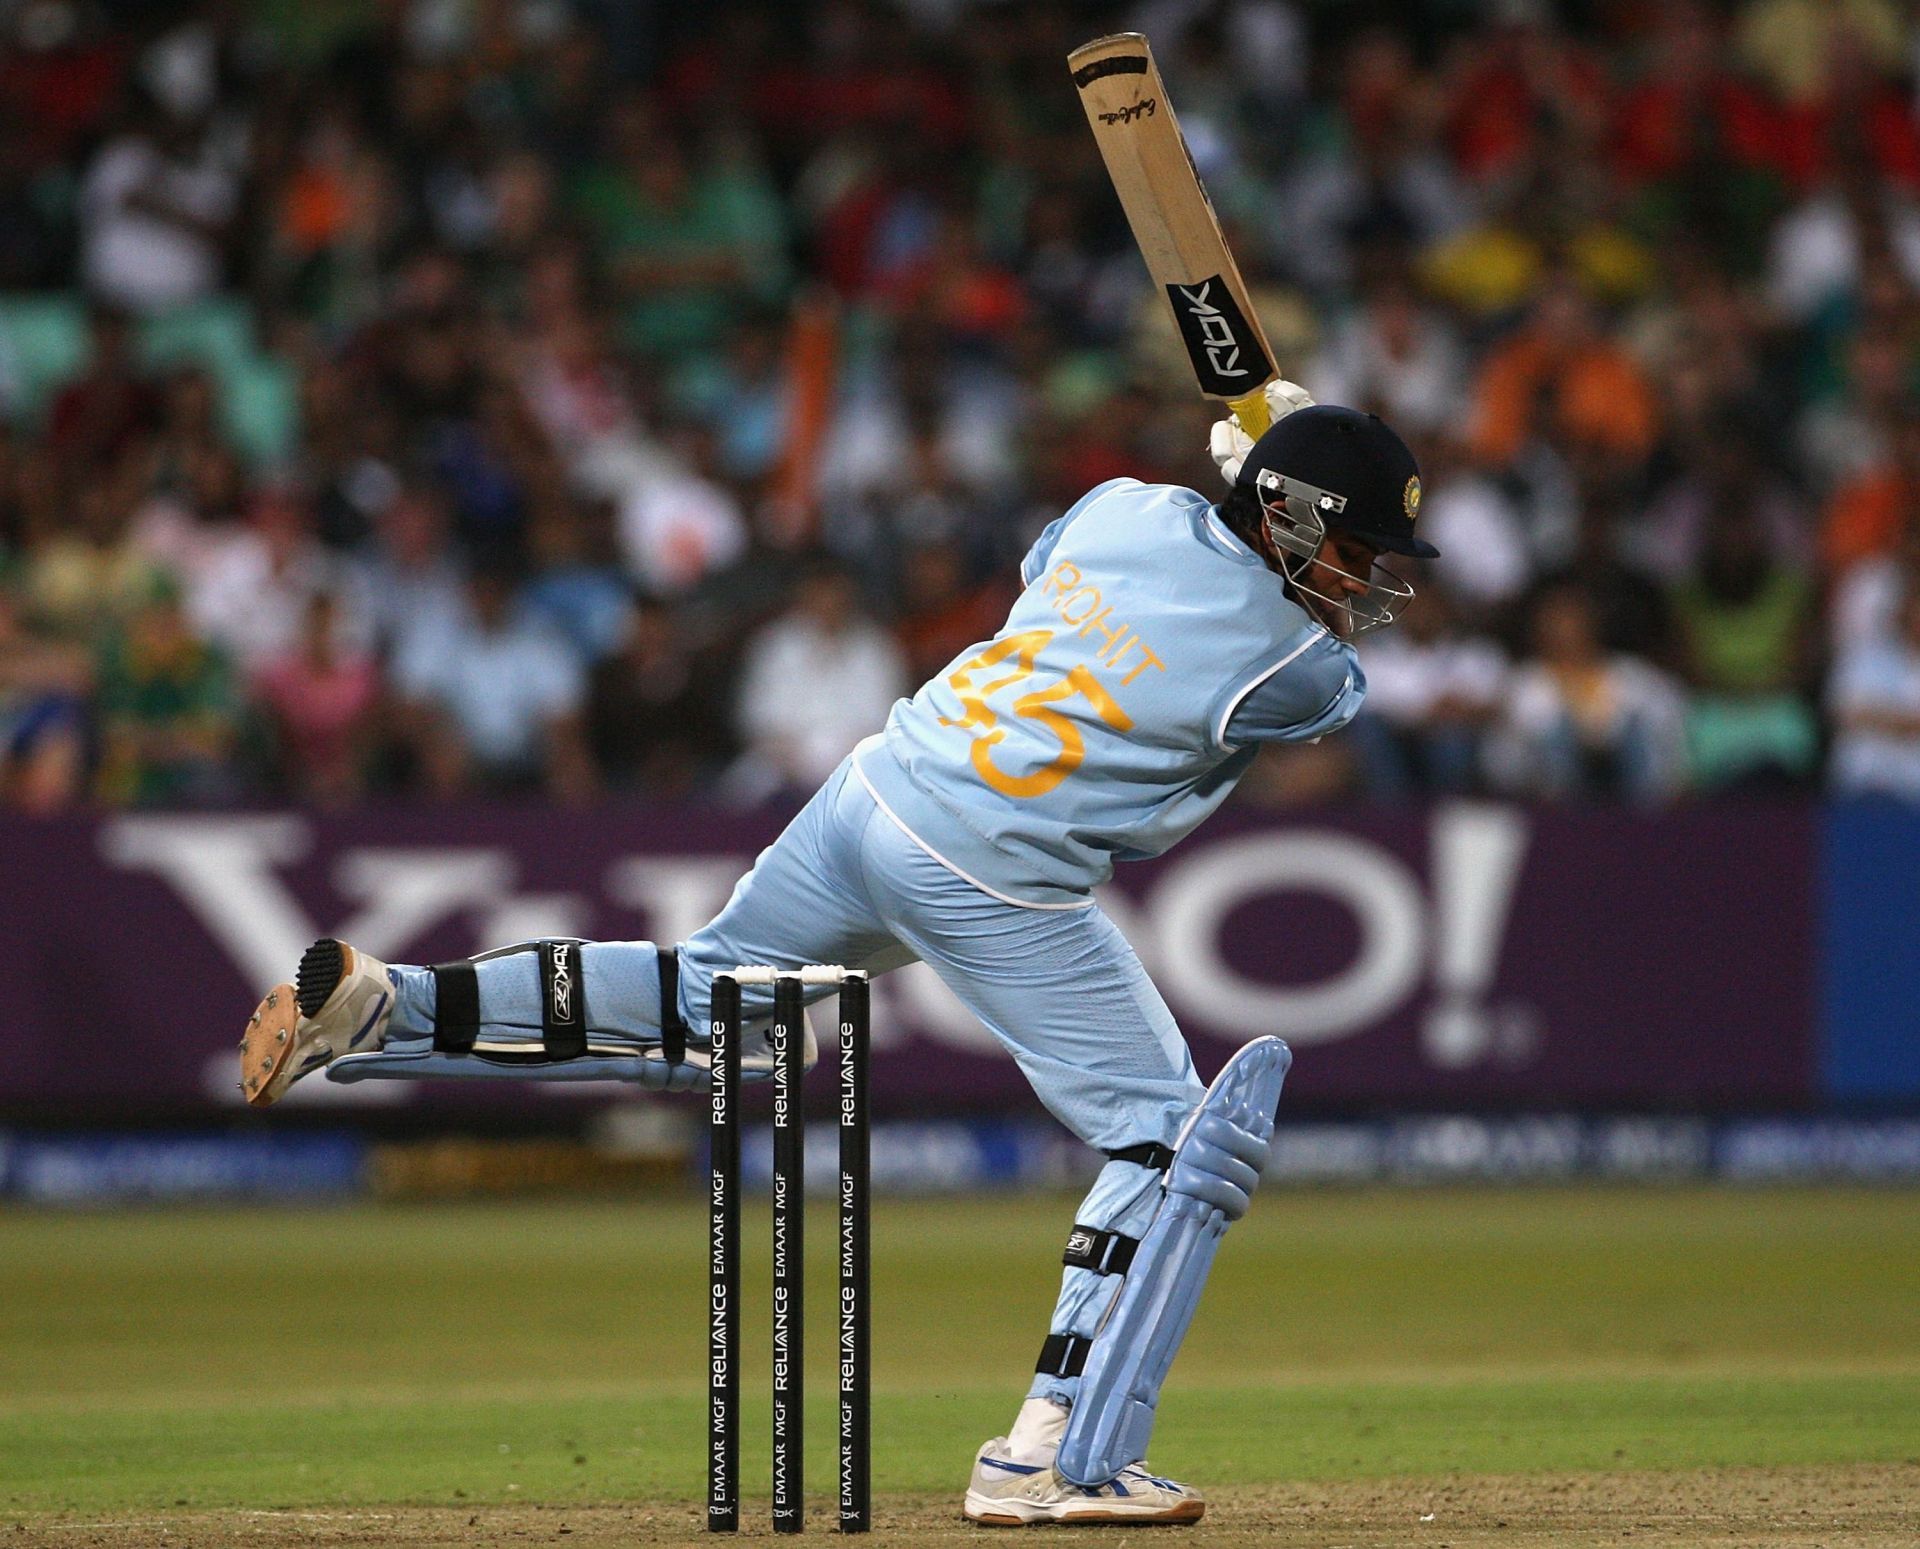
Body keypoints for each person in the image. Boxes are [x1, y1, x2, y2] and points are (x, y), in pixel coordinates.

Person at [237, 386, 1436, 1525]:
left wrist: (1237, 467)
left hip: (876, 790)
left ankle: (391, 1004)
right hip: (993, 863)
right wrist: (1266, 457)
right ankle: (1051, 1451)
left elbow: (1065, 567)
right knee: (1169, 1137)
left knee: (709, 1001)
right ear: (1290, 517)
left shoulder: (1124, 505)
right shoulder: (1300, 671)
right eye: (1357, 551)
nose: (1365, 583)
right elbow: (1321, 671)